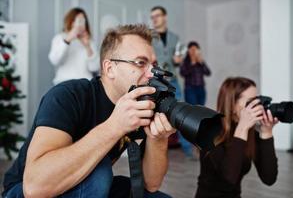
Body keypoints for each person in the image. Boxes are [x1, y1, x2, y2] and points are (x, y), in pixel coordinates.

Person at [2, 24, 175, 198]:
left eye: (153, 65)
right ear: (109, 68)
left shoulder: (139, 106)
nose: (152, 74)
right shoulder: (68, 95)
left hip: (85, 185)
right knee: (100, 172)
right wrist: (114, 126)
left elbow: (150, 184)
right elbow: (35, 186)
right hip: (24, 189)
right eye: (140, 63)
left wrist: (158, 139)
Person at [195, 77, 278, 198]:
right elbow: (228, 180)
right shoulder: (210, 132)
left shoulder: (250, 133)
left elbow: (269, 178)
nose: (257, 106)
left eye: (257, 101)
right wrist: (242, 129)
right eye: (251, 102)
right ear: (232, 105)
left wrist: (266, 133)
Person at [150, 6, 190, 156]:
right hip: (156, 81)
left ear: (164, 17)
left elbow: (178, 60)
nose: (154, 19)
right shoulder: (149, 36)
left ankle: (187, 149)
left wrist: (178, 60)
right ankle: (154, 150)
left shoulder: (174, 38)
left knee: (181, 112)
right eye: (152, 17)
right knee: (153, 114)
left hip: (173, 81)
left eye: (157, 16)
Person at [48, 7, 99, 85]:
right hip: (64, 83)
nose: (81, 24)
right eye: (78, 21)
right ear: (71, 22)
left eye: (83, 21)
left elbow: (94, 67)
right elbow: (55, 60)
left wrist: (87, 46)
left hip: (85, 84)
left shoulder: (90, 42)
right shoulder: (60, 38)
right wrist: (68, 39)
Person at [180, 41, 211, 106]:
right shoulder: (185, 62)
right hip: (190, 89)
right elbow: (183, 73)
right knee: (192, 109)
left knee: (201, 108)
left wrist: (202, 63)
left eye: (195, 49)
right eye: (192, 49)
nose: (193, 52)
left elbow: (208, 73)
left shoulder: (200, 62)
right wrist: (192, 63)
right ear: (188, 51)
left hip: (201, 88)